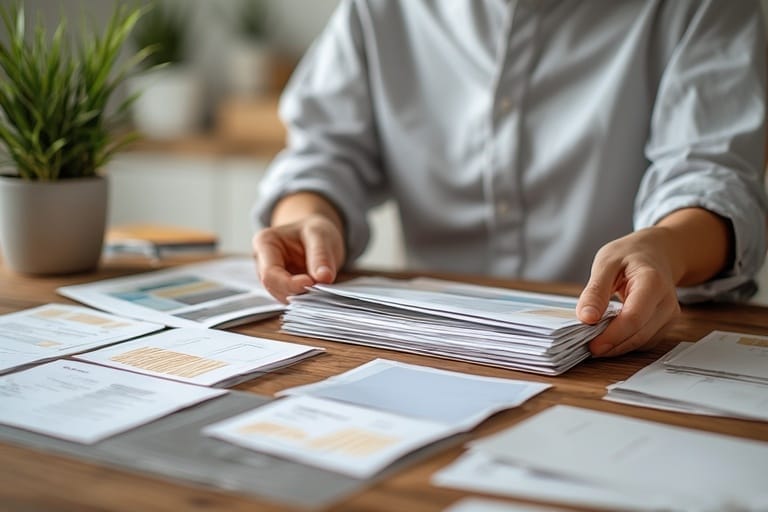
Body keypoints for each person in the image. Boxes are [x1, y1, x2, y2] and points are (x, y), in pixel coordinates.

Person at [252, 0, 768, 358]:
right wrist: (308, 217)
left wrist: (667, 248)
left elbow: (711, 174)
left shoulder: (702, 6)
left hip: (628, 347)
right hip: (432, 340)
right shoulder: (375, 10)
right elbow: (323, 153)